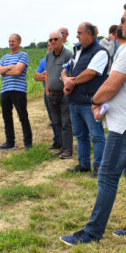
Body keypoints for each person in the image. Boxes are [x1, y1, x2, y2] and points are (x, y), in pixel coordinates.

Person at [60, 2, 126, 245]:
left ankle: (92, 232)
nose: (120, 23)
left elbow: (112, 84)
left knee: (107, 176)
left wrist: (94, 101)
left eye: (124, 19)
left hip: (125, 125)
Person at [62, 22, 109, 176]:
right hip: (74, 101)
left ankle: (99, 167)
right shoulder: (78, 50)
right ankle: (83, 164)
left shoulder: (100, 52)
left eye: (79, 32)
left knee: (96, 136)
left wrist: (71, 82)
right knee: (80, 135)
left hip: (89, 102)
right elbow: (65, 68)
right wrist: (65, 80)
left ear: (89, 33)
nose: (77, 36)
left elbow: (91, 72)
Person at [0, 33, 32, 150]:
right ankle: (10, 142)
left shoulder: (23, 55)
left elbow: (18, 71)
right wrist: (10, 67)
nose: (11, 43)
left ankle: (28, 143)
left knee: (23, 117)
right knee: (7, 117)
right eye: (9, 41)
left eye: (13, 41)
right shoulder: (5, 57)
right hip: (5, 90)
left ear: (19, 42)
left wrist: (3, 71)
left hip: (18, 90)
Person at [44, 30, 74, 158]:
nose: (53, 42)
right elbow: (47, 73)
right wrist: (47, 90)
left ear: (61, 40)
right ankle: (62, 147)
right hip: (52, 95)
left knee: (66, 123)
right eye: (50, 40)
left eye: (55, 39)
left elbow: (71, 73)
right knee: (56, 122)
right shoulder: (49, 56)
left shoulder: (67, 55)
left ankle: (68, 149)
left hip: (64, 95)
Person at [33, 38, 59, 150]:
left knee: (63, 118)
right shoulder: (43, 61)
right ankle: (57, 141)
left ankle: (65, 142)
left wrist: (47, 74)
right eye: (48, 45)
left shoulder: (63, 58)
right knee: (52, 118)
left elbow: (62, 75)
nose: (50, 47)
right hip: (48, 92)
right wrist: (50, 75)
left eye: (52, 44)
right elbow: (36, 77)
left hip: (61, 92)